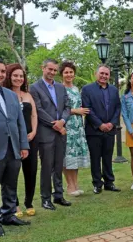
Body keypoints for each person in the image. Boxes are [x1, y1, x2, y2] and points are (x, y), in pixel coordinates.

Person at [0, 58, 30, 237]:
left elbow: (20, 122)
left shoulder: (10, 95)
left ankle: (9, 214)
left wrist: (24, 144)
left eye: (2, 71)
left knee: (10, 183)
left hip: (13, 148)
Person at [30, 59, 71, 210]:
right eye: (50, 69)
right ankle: (46, 199)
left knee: (59, 165)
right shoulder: (34, 88)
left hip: (61, 133)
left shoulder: (61, 87)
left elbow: (67, 107)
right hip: (46, 134)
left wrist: (62, 121)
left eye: (55, 70)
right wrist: (57, 125)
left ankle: (59, 195)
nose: (52, 73)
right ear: (43, 68)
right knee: (47, 167)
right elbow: (39, 111)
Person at [4, 64, 38, 217]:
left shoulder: (28, 95)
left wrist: (34, 132)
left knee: (30, 172)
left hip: (30, 139)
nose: (18, 78)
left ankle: (29, 203)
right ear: (9, 76)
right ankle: (15, 205)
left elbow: (34, 116)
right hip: (12, 141)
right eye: (15, 75)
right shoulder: (4, 95)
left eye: (21, 76)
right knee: (12, 174)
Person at [82, 65, 121, 194]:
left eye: (106, 74)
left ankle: (109, 183)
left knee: (108, 157)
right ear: (96, 74)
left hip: (110, 130)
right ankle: (97, 184)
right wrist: (100, 124)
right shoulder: (87, 89)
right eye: (102, 73)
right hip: (94, 130)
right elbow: (87, 109)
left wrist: (111, 123)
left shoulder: (114, 90)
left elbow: (117, 108)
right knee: (95, 158)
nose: (104, 76)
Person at [60, 61, 90, 196]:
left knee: (76, 156)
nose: (69, 74)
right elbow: (59, 109)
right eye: (66, 72)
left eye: (71, 72)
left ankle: (76, 184)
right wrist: (76, 111)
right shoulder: (59, 89)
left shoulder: (77, 89)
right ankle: (69, 185)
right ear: (61, 74)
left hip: (78, 127)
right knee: (67, 156)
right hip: (67, 125)